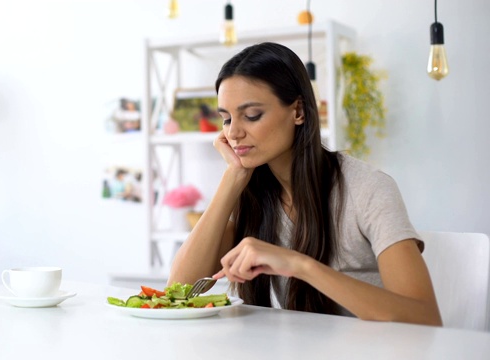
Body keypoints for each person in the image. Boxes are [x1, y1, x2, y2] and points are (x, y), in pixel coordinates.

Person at [167, 42, 442, 326]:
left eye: (251, 116)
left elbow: (425, 318)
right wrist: (231, 178)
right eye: (226, 119)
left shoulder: (368, 189)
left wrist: (299, 265)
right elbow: (179, 291)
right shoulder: (255, 193)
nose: (233, 132)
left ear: (298, 111)